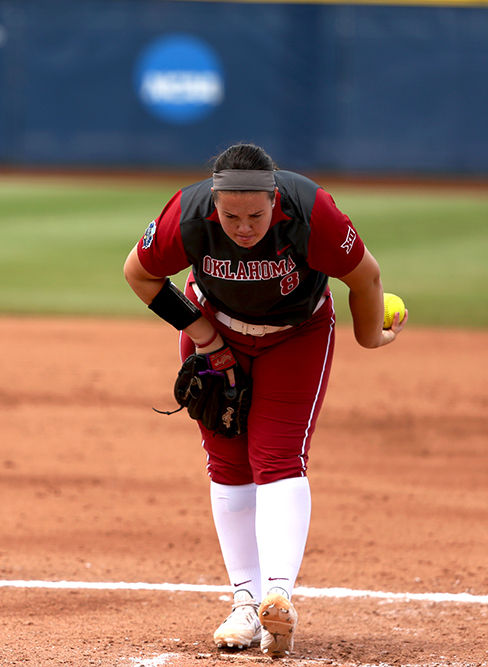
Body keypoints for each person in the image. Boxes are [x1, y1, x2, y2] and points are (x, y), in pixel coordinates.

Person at [123, 143, 407, 657]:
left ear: (275, 200)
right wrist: (205, 337)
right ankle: (245, 605)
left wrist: (373, 338)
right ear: (214, 203)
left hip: (296, 336)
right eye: (231, 216)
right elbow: (139, 274)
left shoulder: (312, 211)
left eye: (256, 215)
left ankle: (279, 594)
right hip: (216, 331)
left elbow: (364, 277)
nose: (244, 227)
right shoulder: (186, 214)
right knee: (227, 463)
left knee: (276, 458)